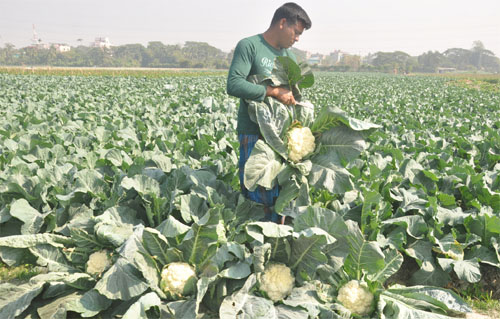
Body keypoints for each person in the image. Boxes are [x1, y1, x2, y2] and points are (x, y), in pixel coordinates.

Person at [226, 3, 311, 222]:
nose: (298, 39)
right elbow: (234, 84)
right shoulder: (250, 46)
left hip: (281, 138)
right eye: (296, 32)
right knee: (257, 194)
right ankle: (253, 246)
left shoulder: (289, 58)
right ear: (282, 23)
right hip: (254, 133)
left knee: (281, 196)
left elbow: (291, 95)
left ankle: (277, 244)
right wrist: (272, 92)